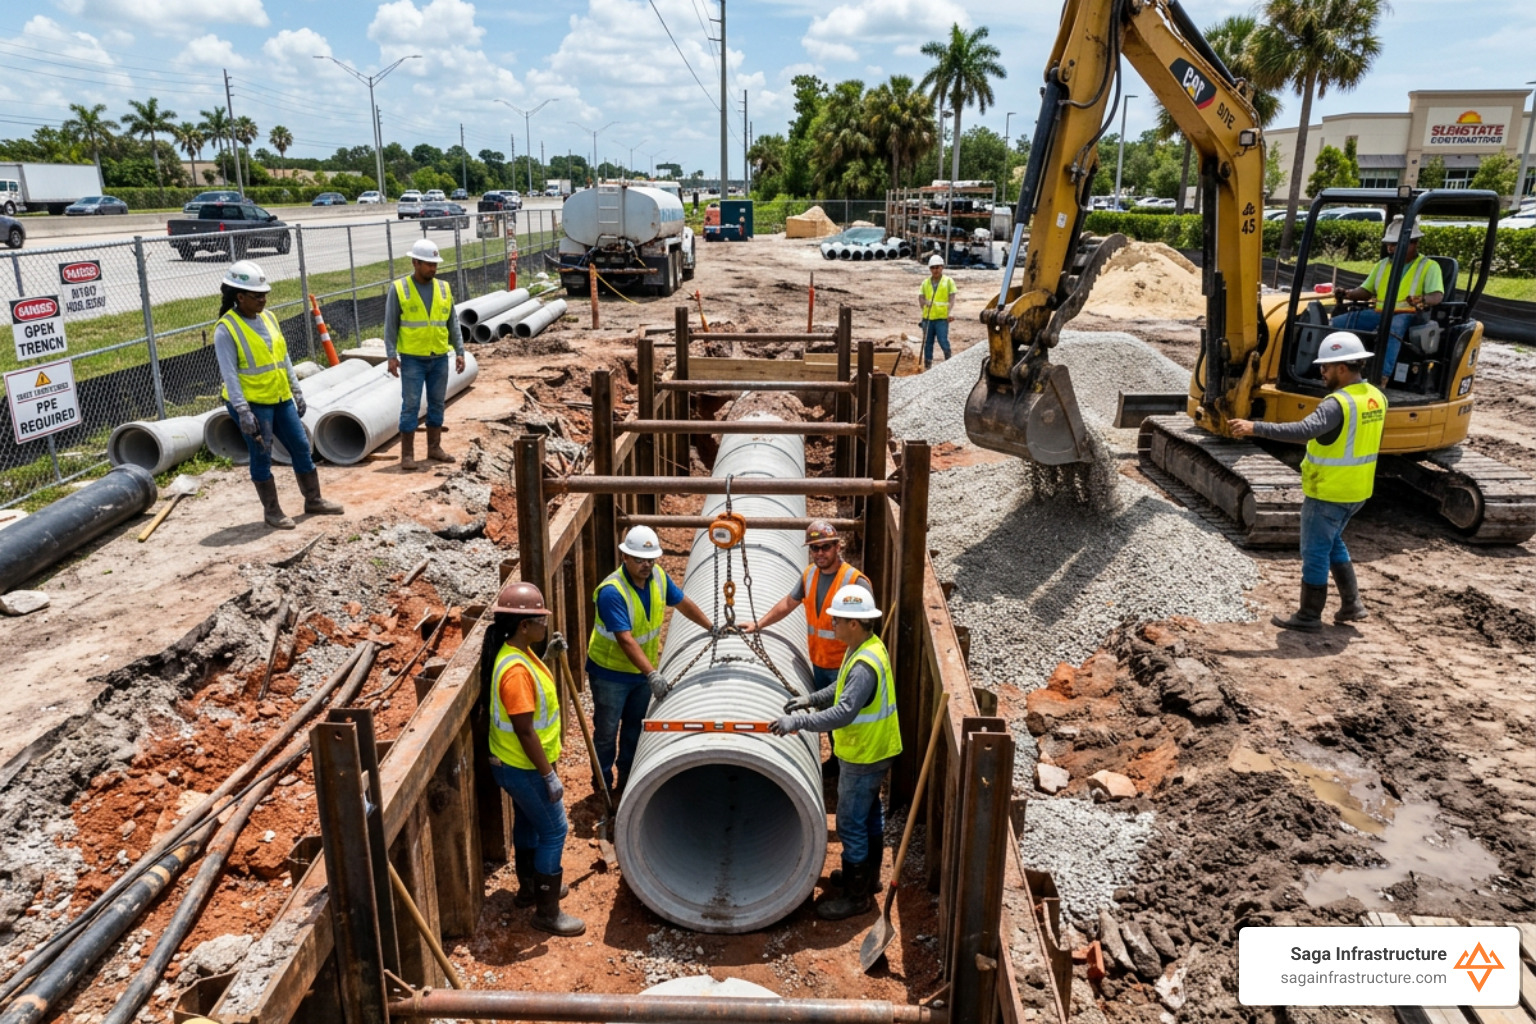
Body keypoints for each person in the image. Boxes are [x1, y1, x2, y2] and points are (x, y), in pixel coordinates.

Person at [1231, 332, 1386, 632]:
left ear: (1342, 368)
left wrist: (1254, 427)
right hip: (1358, 491)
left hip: (1329, 490)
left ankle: (1309, 615)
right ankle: (1352, 604)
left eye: (1326, 367)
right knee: (1332, 542)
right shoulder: (1375, 397)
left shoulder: (1337, 403)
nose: (1321, 372)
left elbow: (1304, 430)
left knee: (1315, 551)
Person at [771, 584, 901, 920]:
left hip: (864, 754)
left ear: (854, 624)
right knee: (870, 813)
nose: (832, 625)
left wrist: (797, 721)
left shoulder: (863, 665)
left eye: (838, 620)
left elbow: (844, 711)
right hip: (876, 749)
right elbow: (840, 687)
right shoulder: (866, 647)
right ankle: (868, 879)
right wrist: (811, 699)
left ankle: (856, 898)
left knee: (850, 822)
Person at [481, 580, 583, 936]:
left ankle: (529, 888)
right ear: (524, 626)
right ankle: (547, 911)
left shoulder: (517, 652)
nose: (546, 624)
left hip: (512, 766)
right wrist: (547, 776)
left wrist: (549, 658)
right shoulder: (516, 671)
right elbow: (525, 730)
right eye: (540, 620)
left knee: (528, 824)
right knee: (555, 830)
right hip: (522, 767)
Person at [213, 260, 344, 530]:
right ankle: (272, 512)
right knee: (261, 456)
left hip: (280, 397)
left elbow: (283, 357)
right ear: (240, 297)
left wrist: (296, 390)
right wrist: (243, 411)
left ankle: (313, 499)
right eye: (257, 295)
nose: (263, 299)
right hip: (253, 404)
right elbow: (230, 375)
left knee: (300, 446)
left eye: (265, 294)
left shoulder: (269, 318)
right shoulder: (227, 329)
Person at [585, 526, 715, 796]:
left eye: (651, 559)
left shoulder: (658, 578)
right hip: (611, 674)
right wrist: (653, 673)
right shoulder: (612, 592)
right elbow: (625, 639)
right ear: (625, 558)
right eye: (640, 559)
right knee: (607, 732)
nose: (647, 565)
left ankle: (627, 781)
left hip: (640, 674)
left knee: (635, 728)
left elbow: (682, 603)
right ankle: (602, 786)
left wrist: (710, 626)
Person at [385, 238, 466, 471]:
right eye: (428, 264)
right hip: (412, 358)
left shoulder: (443, 288)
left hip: (439, 356)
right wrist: (391, 355)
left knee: (437, 404)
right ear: (415, 263)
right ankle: (407, 455)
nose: (433, 268)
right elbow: (390, 325)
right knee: (410, 405)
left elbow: (453, 323)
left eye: (435, 264)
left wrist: (459, 351)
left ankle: (434, 447)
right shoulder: (399, 289)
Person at [1330, 218, 1443, 384]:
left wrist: (1422, 300)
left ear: (1413, 243)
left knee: (1392, 327)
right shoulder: (1383, 265)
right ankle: (1334, 370)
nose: (1389, 248)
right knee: (1337, 323)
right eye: (1388, 244)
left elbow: (1437, 296)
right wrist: (1348, 293)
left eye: (1394, 244)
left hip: (1411, 316)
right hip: (1380, 313)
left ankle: (1381, 378)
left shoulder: (1429, 266)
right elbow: (1366, 291)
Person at [919, 254, 956, 370]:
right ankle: (928, 365)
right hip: (928, 318)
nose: (935, 270)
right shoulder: (925, 283)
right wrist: (924, 304)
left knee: (942, 340)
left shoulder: (948, 281)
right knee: (928, 343)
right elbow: (920, 297)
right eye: (933, 267)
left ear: (942, 267)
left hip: (941, 318)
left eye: (937, 267)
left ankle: (948, 361)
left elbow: (952, 298)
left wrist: (949, 312)